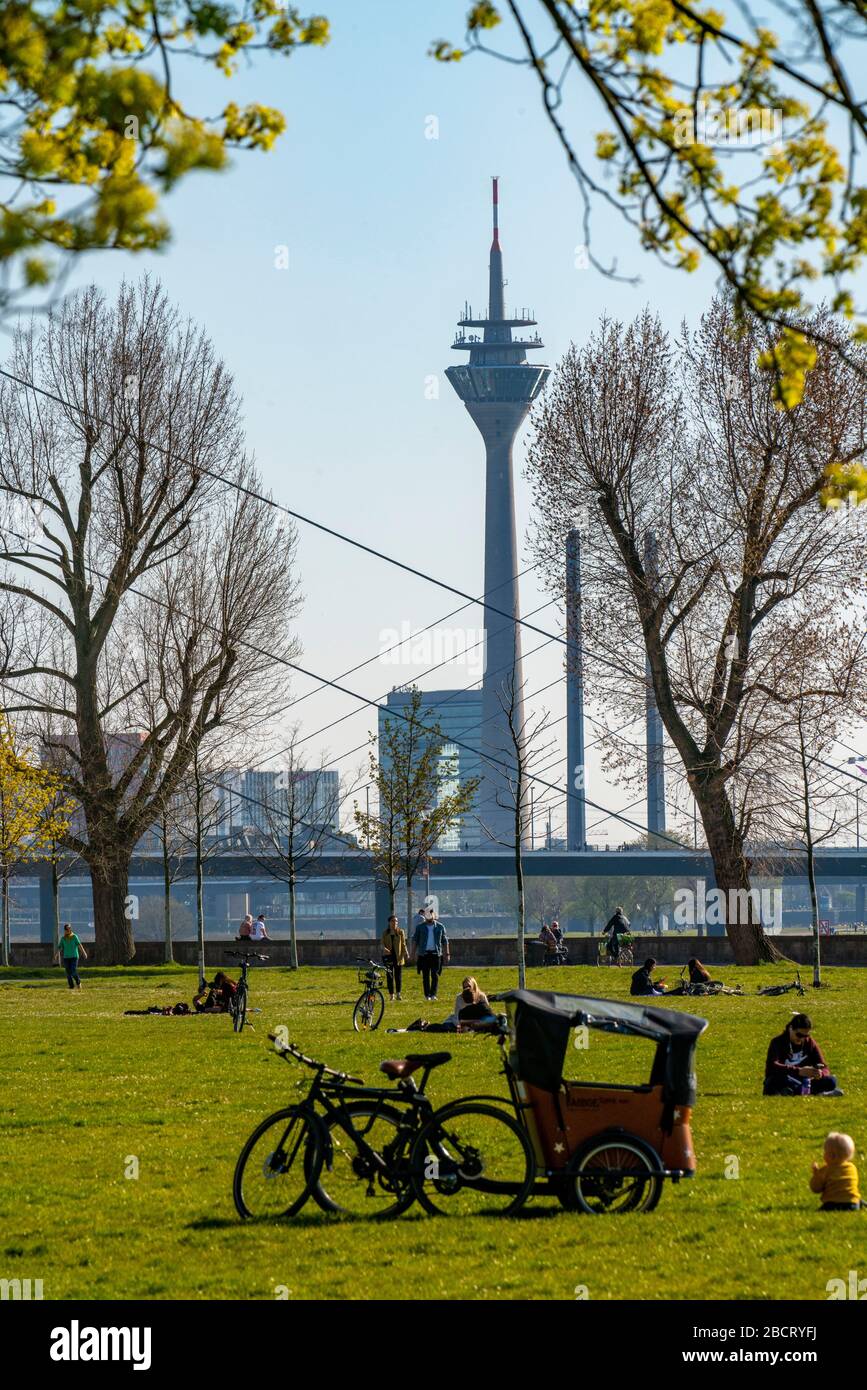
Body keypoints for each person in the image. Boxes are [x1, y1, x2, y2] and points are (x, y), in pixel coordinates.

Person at [763, 1014, 843, 1097]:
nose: (802, 1039)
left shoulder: (809, 1042)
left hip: (805, 1081)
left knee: (831, 1080)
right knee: (774, 1081)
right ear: (790, 1028)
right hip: (786, 1078)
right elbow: (773, 1066)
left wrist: (819, 1073)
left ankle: (796, 1092)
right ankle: (816, 1093)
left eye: (805, 1036)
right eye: (799, 1035)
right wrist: (799, 1071)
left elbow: (824, 1066)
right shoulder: (777, 1042)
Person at [810, 1132, 863, 1210]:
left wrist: (816, 1174)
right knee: (857, 1199)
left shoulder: (826, 1170)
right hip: (852, 1204)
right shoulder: (852, 1168)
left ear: (832, 1156)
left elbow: (815, 1188)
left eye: (825, 1152)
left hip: (832, 1204)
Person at [411, 908, 449, 1001]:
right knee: (425, 975)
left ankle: (433, 994)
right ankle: (427, 994)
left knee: (435, 975)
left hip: (436, 954)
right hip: (424, 954)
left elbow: (445, 941)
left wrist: (447, 953)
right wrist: (413, 953)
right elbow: (415, 940)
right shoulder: (420, 927)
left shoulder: (440, 927)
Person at [381, 914, 409, 1000]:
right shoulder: (385, 933)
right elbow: (381, 944)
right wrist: (384, 949)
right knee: (390, 976)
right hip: (388, 956)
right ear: (389, 922)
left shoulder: (400, 932)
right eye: (393, 921)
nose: (394, 923)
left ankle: (398, 994)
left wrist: (406, 953)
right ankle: (391, 995)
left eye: (396, 921)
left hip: (398, 957)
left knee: (398, 976)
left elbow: (403, 944)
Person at [54, 923, 87, 990]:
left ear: (70, 930)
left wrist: (84, 953)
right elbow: (60, 947)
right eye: (66, 930)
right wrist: (56, 955)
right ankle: (71, 986)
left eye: (69, 929)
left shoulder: (74, 937)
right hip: (66, 957)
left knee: (73, 971)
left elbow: (79, 945)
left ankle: (78, 982)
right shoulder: (63, 938)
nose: (67, 931)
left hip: (74, 957)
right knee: (68, 973)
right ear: (65, 930)